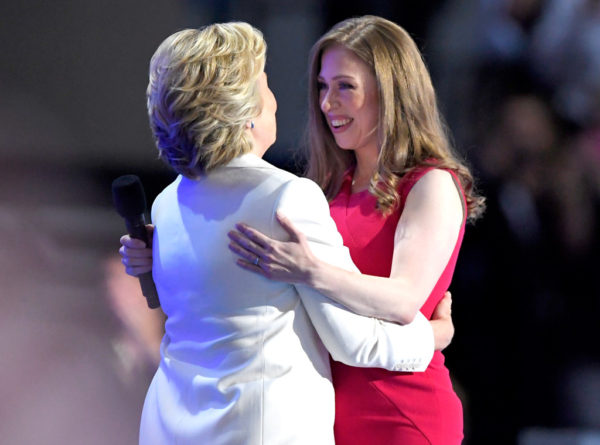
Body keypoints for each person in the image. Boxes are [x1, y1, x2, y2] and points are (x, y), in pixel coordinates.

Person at [123, 22, 455, 445]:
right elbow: (353, 343)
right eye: (265, 85)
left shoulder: (167, 203)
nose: (278, 101)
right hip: (260, 430)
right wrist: (433, 336)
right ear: (243, 112)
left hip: (169, 426)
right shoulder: (287, 196)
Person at [225, 16, 486, 445]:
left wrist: (311, 270)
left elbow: (403, 301)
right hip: (326, 414)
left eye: (345, 86)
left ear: (390, 90)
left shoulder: (431, 183)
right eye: (323, 87)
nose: (328, 103)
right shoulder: (329, 190)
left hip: (402, 413)